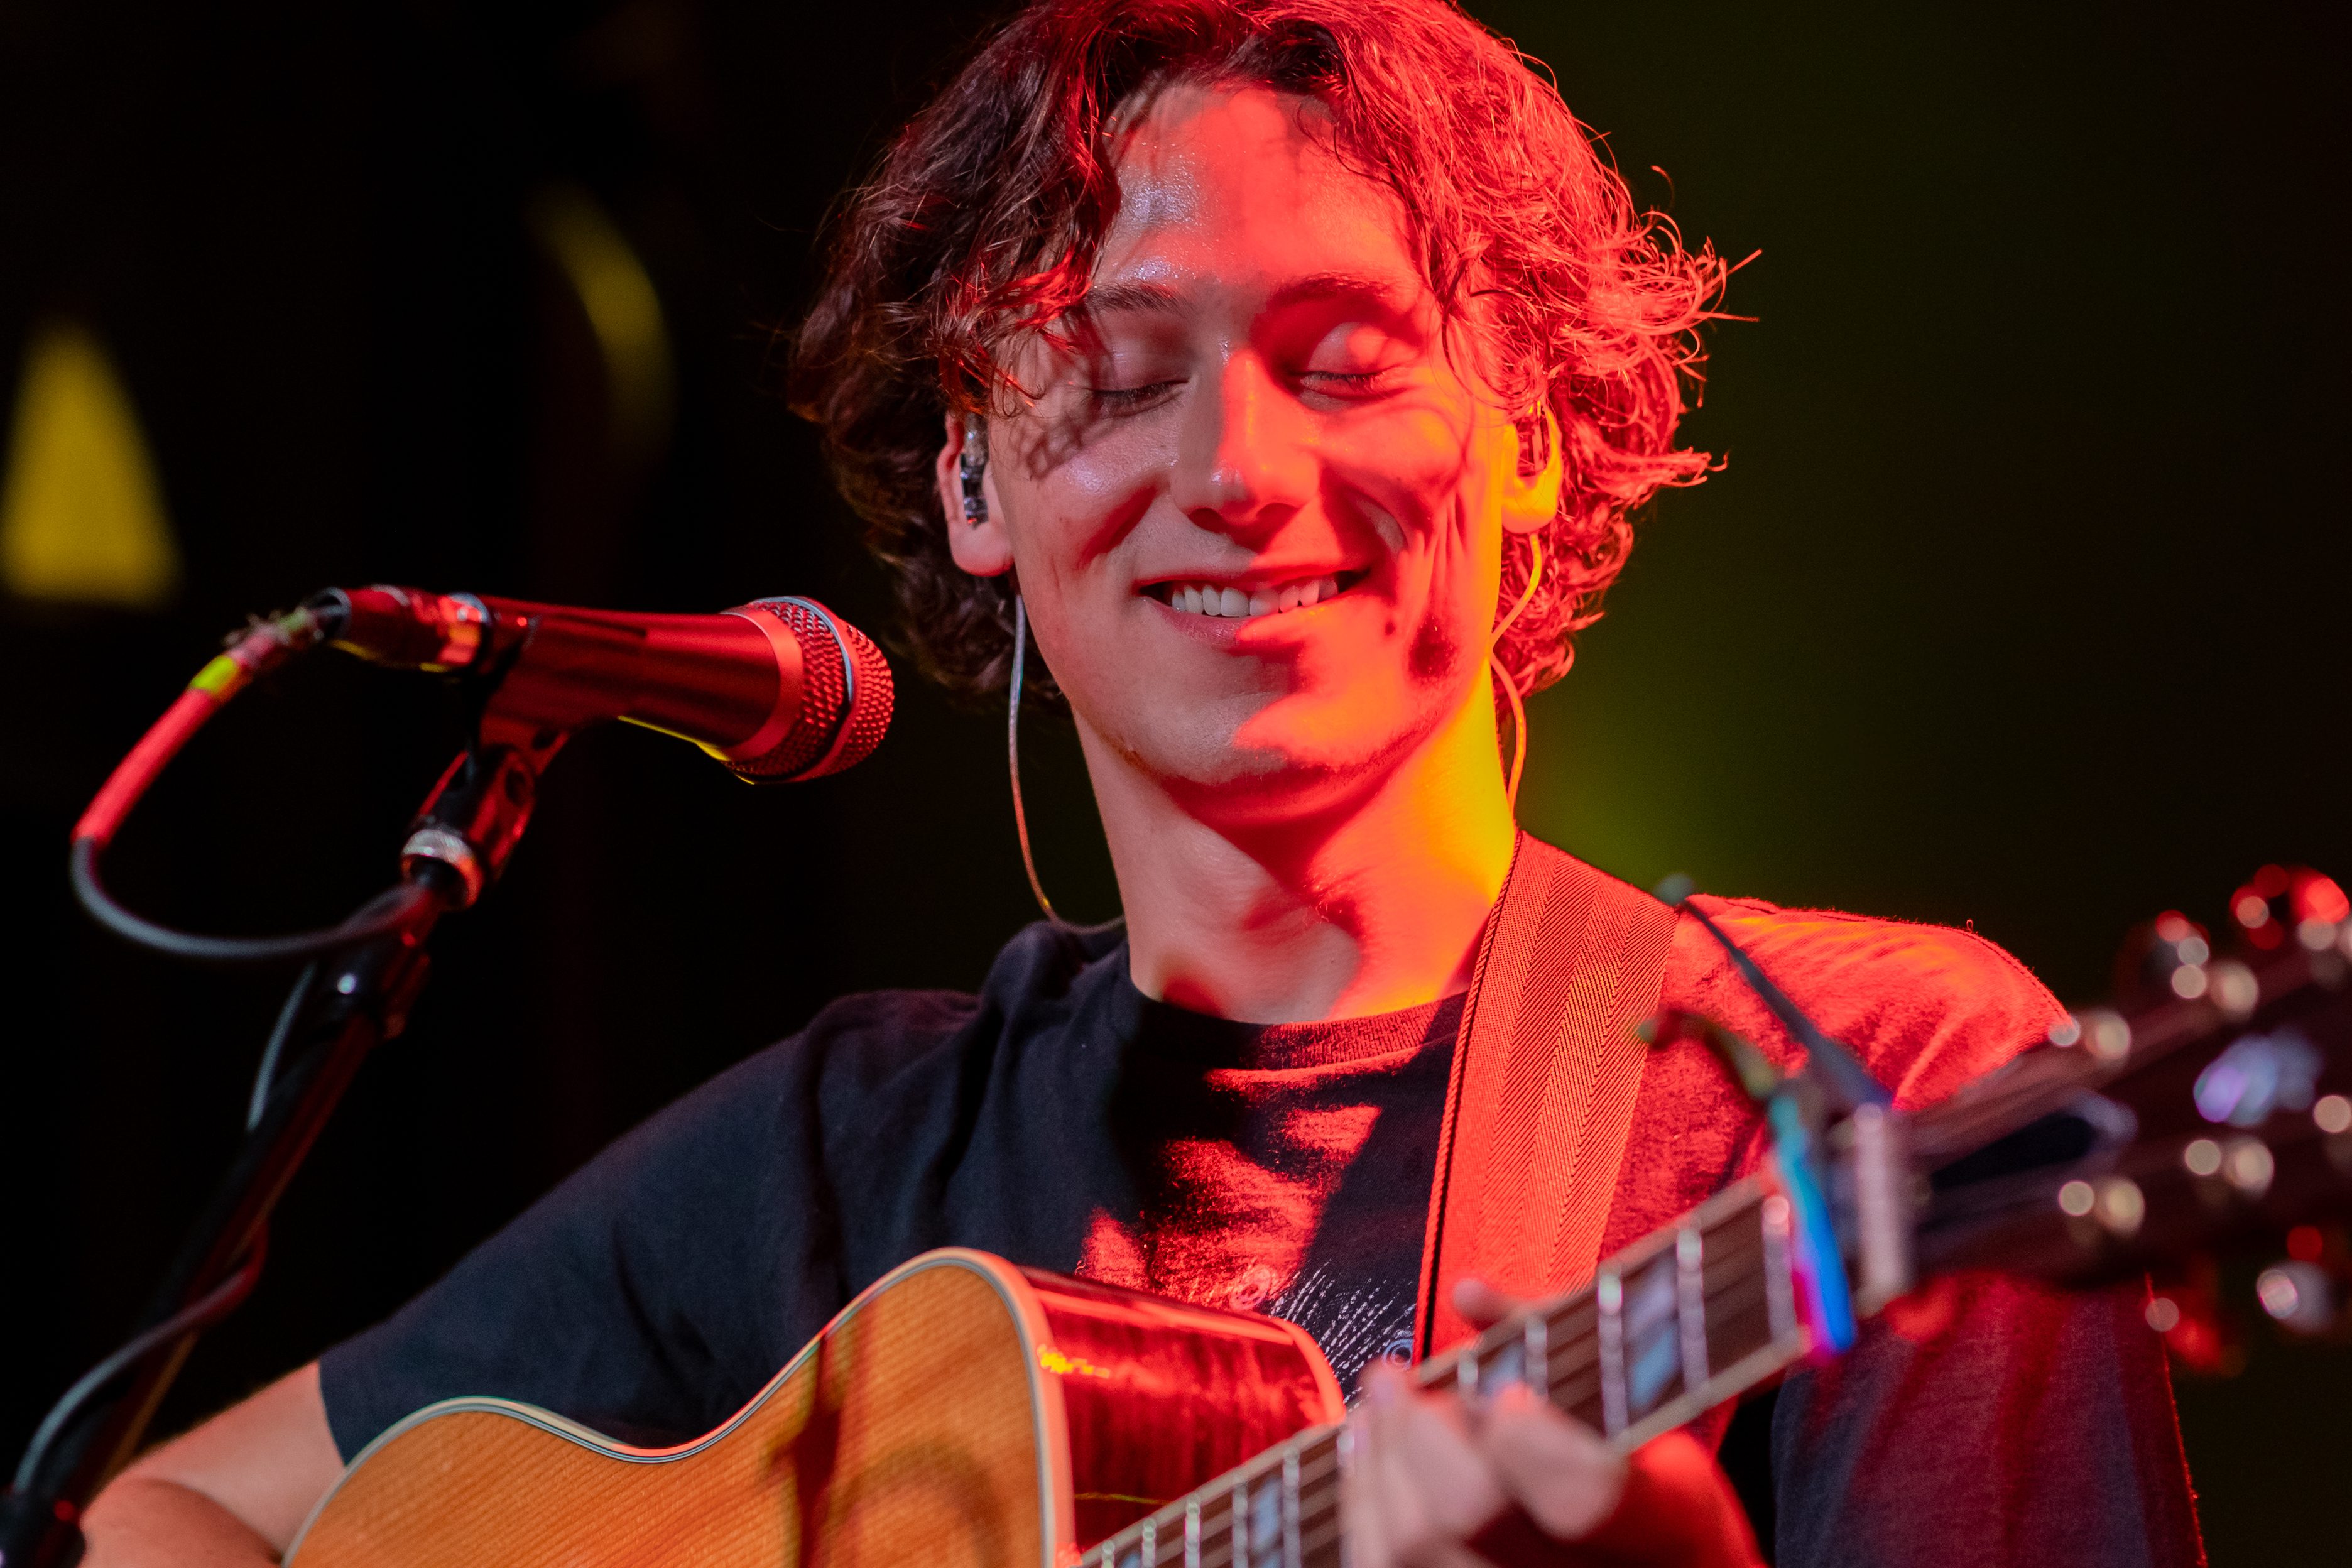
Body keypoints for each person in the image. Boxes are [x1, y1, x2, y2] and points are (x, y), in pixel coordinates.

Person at [82, 1, 2204, 1564]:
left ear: (1532, 431)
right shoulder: (837, 1157)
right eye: (1117, 374)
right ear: (977, 478)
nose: (1235, 474)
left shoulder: (1877, 1089)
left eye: (1349, 358)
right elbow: (166, 1515)